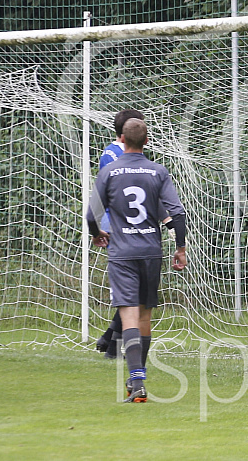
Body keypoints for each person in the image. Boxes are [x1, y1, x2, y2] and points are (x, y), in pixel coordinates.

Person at [87, 118, 187, 403]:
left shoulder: (109, 171)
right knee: (144, 317)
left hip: (122, 253)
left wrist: (97, 234)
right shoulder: (158, 171)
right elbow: (176, 214)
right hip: (151, 252)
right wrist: (180, 249)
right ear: (146, 141)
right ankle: (137, 378)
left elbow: (91, 216)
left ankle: (138, 383)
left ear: (121, 139)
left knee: (129, 315)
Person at [95, 109, 145, 359]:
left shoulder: (113, 152)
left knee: (133, 291)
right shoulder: (116, 156)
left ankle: (111, 343)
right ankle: (112, 340)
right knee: (133, 292)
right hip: (120, 225)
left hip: (121, 224)